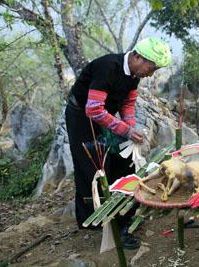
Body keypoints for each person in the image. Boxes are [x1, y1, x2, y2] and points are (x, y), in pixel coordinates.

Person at [65, 37, 171, 249]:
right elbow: (93, 109)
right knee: (91, 167)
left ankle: (119, 213)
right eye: (151, 68)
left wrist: (130, 126)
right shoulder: (108, 68)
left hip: (105, 117)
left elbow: (128, 103)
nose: (150, 74)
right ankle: (92, 219)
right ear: (138, 57)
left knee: (119, 162)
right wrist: (125, 129)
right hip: (81, 117)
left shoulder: (133, 75)